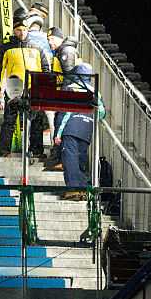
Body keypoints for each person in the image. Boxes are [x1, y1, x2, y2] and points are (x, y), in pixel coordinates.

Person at [0, 19, 50, 158]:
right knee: (9, 120)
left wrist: (45, 88)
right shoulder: (6, 48)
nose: (22, 32)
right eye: (18, 30)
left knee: (37, 120)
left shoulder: (37, 48)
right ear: (13, 31)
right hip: (14, 86)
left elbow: (45, 69)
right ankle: (3, 151)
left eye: (24, 29)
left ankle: (36, 151)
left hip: (34, 87)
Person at [57, 63, 105, 201]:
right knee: (80, 159)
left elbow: (64, 113)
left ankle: (73, 190)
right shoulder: (96, 92)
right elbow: (101, 114)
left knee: (69, 159)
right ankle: (83, 189)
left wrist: (58, 133)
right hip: (87, 129)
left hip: (71, 128)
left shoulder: (70, 88)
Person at [43, 27, 81, 170]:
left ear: (60, 38)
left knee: (61, 126)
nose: (50, 42)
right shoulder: (62, 51)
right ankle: (58, 158)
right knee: (59, 125)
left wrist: (63, 96)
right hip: (63, 96)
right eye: (48, 39)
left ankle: (60, 159)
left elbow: (70, 77)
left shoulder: (66, 51)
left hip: (66, 98)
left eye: (52, 39)